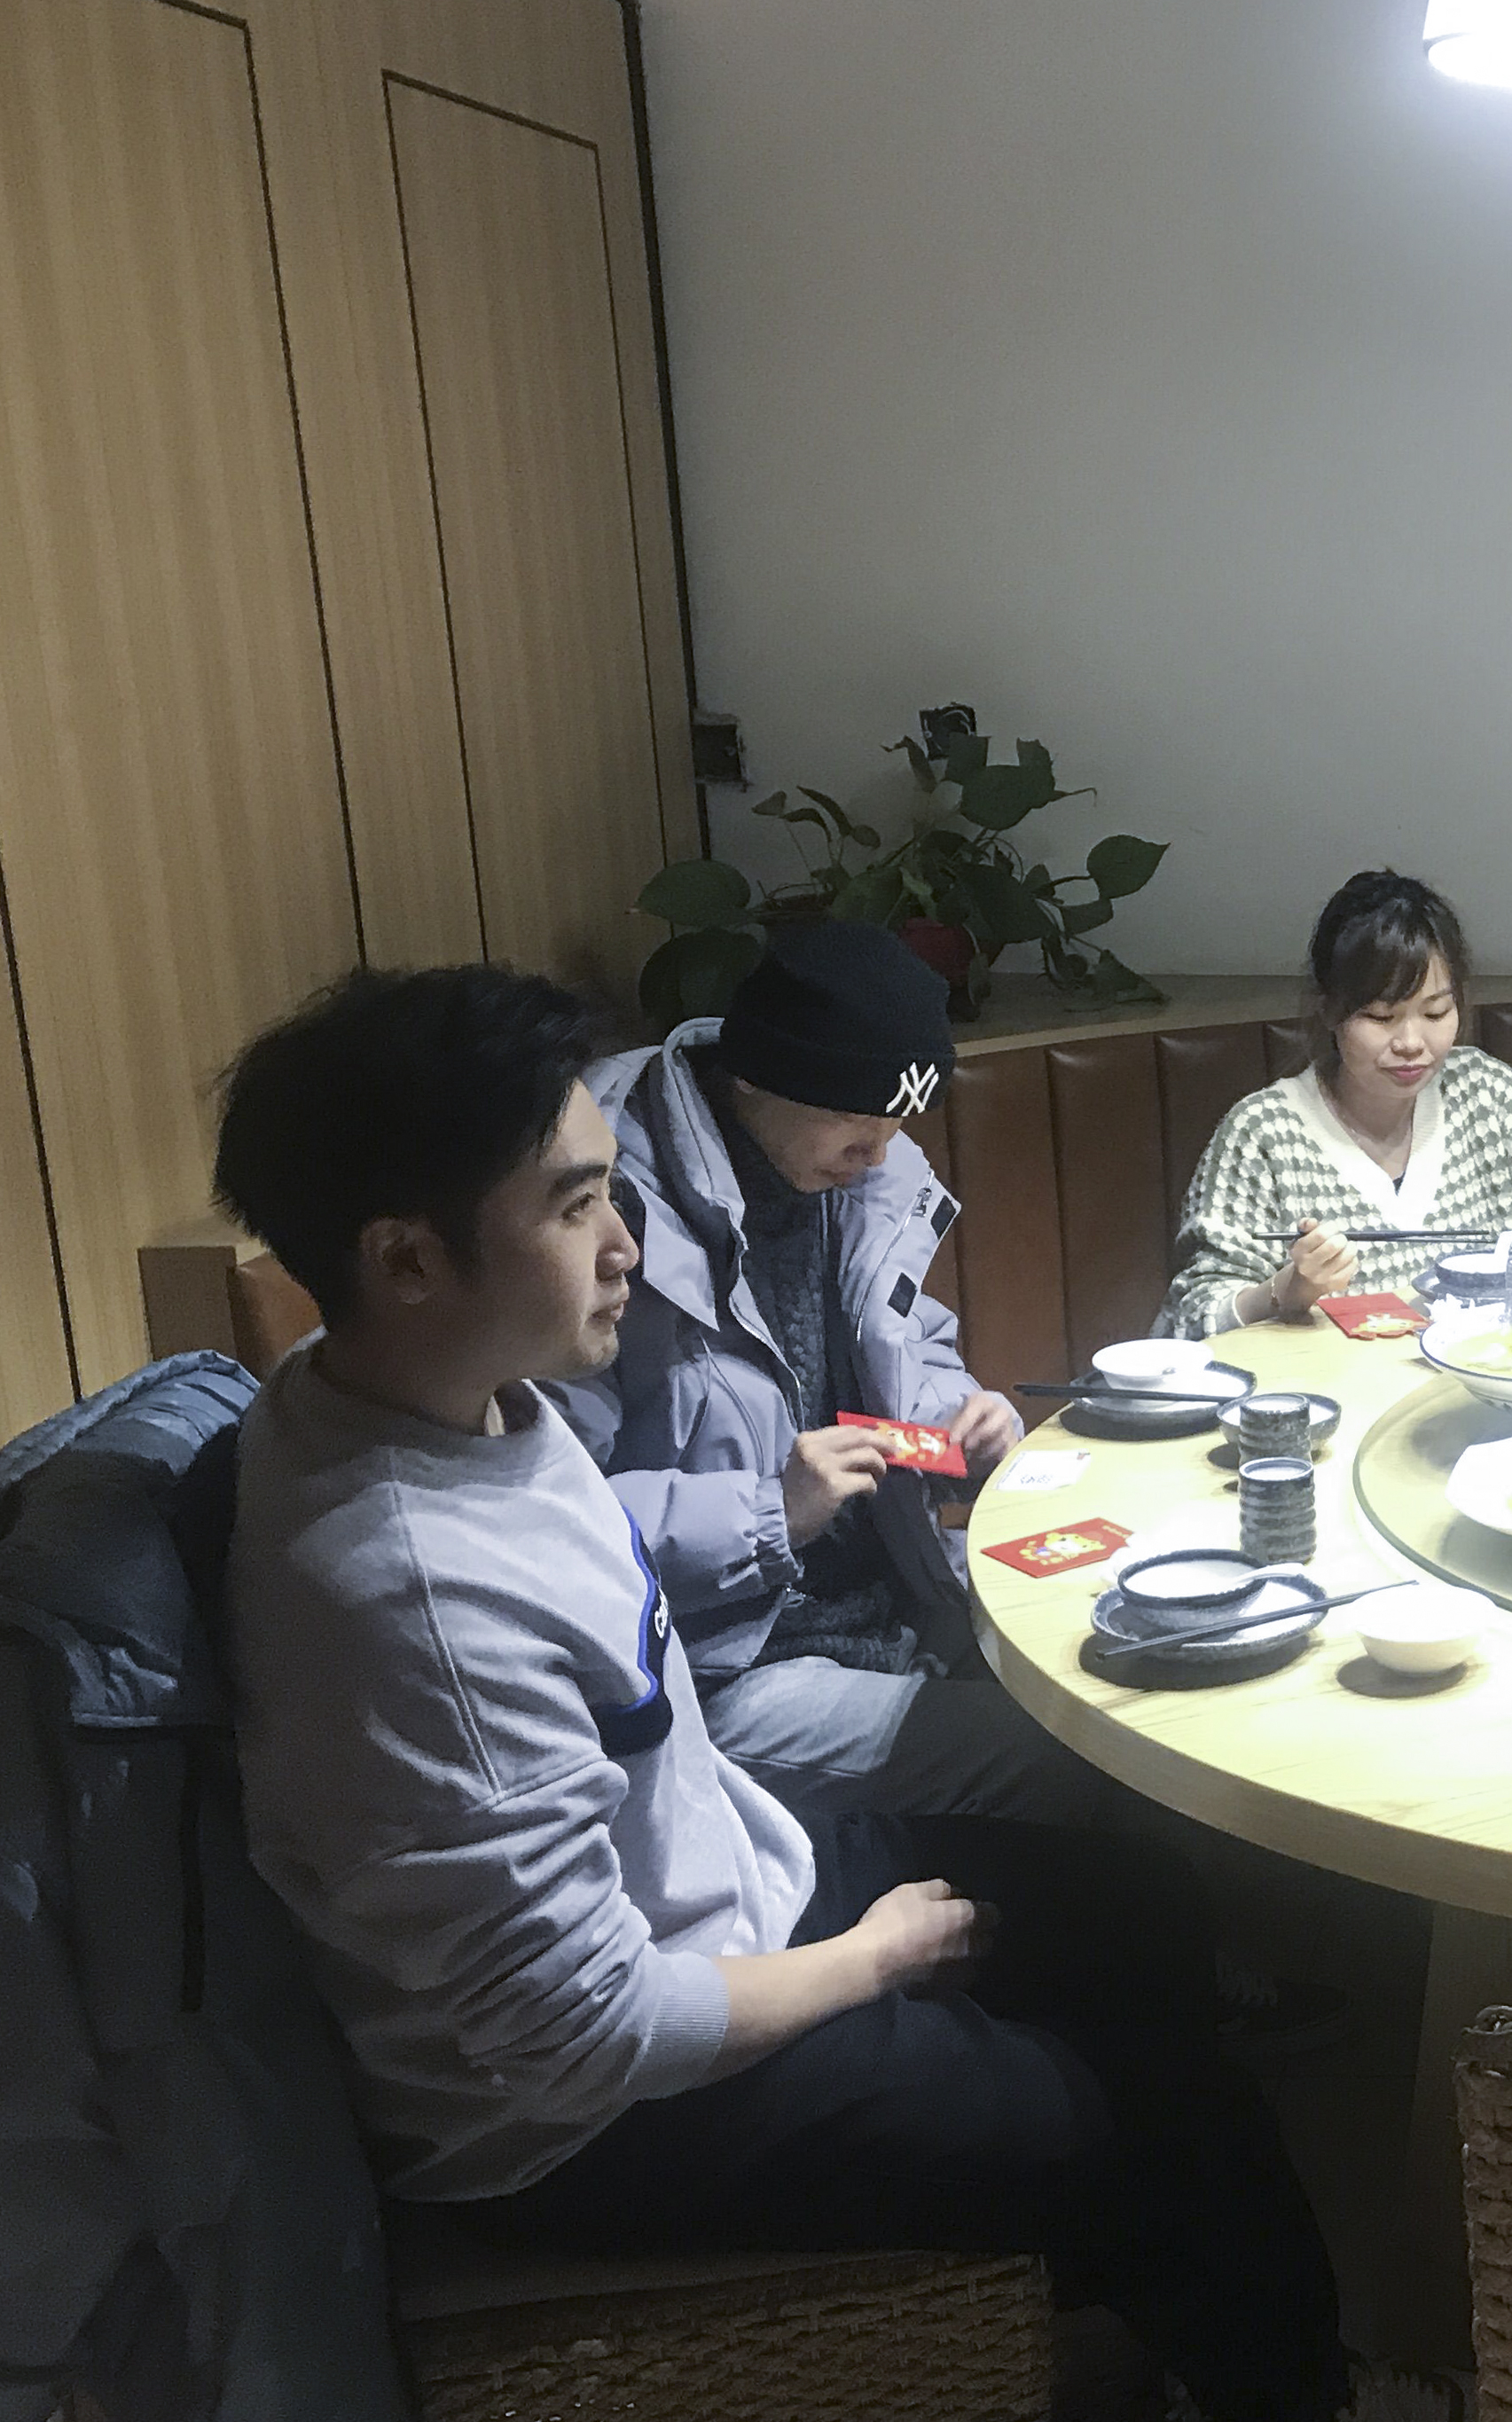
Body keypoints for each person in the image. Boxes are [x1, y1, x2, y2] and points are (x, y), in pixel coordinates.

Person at [210, 964, 1372, 2422]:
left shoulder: (441, 1392)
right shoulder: (410, 1592)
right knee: (1173, 2121)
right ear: (406, 1261)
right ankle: (1268, 2351)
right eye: (577, 1206)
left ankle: (1135, 2283)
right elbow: (584, 2036)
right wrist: (869, 1960)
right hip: (596, 2122)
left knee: (1135, 1907)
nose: (627, 1246)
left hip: (715, 1887)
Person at [558, 921, 1121, 1830]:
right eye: (857, 1118)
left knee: (1127, 1664)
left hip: (898, 1594)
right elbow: (551, 1513)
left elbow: (908, 1341)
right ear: (753, 1078)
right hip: (725, 1666)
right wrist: (769, 1512)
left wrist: (960, 1427)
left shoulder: (857, 1177)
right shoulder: (607, 1219)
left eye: (897, 1121)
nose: (881, 1149)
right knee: (1085, 1753)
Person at [1160, 871, 1512, 1336]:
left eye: (1435, 1013)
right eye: (1382, 1017)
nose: (1411, 1043)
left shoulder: (1479, 1092)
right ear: (1330, 1011)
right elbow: (1190, 1316)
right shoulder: (1263, 1133)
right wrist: (1290, 1289)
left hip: (1482, 1384)